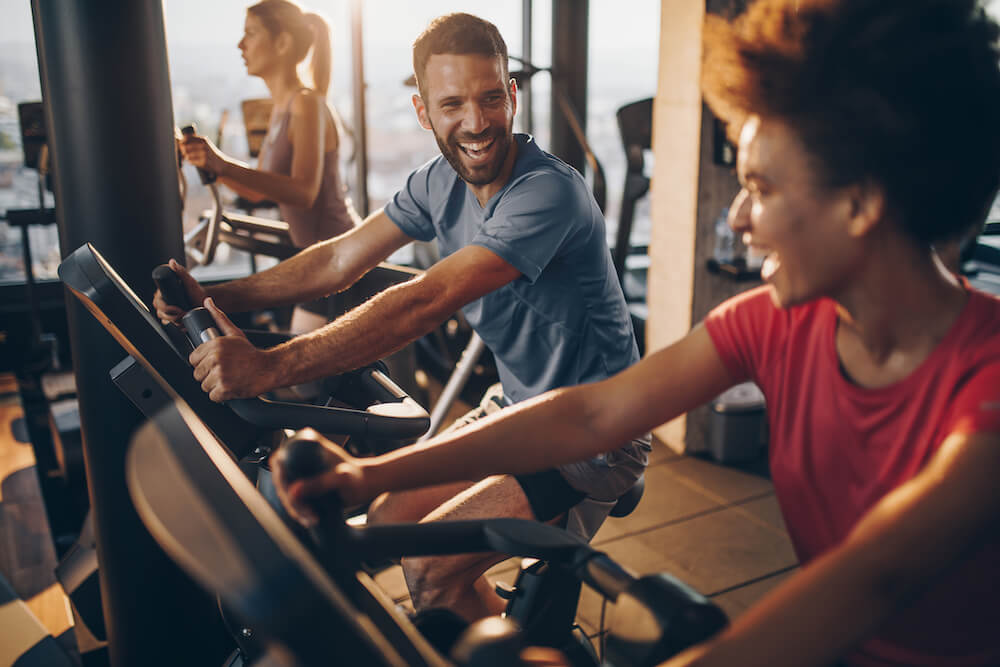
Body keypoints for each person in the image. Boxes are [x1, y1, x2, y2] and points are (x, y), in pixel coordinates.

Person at [273, 1, 1000, 664]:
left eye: (764, 189)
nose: (739, 219)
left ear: (861, 204)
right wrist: (369, 475)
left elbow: (879, 577)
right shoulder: (773, 324)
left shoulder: (988, 378)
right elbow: (592, 411)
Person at [156, 13, 649, 624]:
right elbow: (338, 259)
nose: (475, 123)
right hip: (518, 408)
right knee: (389, 518)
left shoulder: (550, 192)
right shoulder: (436, 184)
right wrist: (214, 299)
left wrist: (268, 367)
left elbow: (425, 300)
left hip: (595, 436)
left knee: (430, 567)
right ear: (423, 112)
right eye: (452, 104)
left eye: (491, 98)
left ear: (512, 96)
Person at [178, 0, 360, 334]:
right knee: (308, 380)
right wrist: (212, 165)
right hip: (314, 257)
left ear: (282, 43)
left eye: (250, 34)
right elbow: (257, 191)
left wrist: (222, 162)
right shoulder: (281, 108)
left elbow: (304, 192)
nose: (240, 44)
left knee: (308, 381)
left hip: (337, 256)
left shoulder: (307, 103)